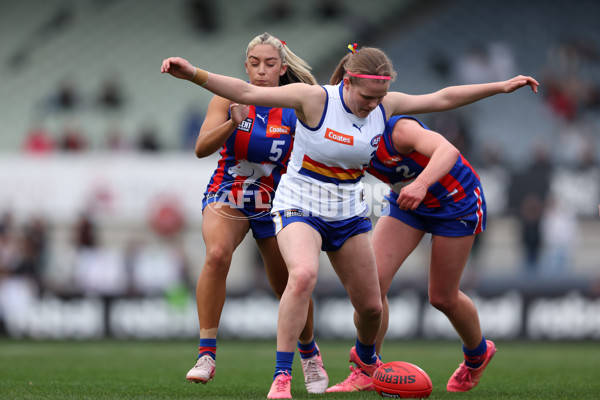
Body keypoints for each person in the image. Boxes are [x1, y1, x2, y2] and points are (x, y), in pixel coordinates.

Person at [161, 44, 538, 399]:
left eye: (380, 98)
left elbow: (442, 100)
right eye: (367, 97)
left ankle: (437, 356)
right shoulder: (316, 99)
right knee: (310, 277)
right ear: (349, 81)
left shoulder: (387, 112)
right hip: (312, 204)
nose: (373, 106)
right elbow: (247, 92)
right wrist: (192, 72)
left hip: (403, 206)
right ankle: (300, 373)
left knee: (406, 301)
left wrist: (501, 87)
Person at [177, 33, 329, 394]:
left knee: (288, 284)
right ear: (246, 66)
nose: (261, 71)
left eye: (270, 63)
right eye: (255, 63)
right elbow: (200, 149)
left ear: (283, 68)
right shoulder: (227, 96)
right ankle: (206, 354)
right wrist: (233, 122)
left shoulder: (297, 105)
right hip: (229, 190)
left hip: (278, 200)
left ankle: (309, 353)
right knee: (216, 254)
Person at [327, 114, 496, 393]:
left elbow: (448, 151)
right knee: (372, 286)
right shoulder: (338, 132)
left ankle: (477, 355)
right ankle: (366, 367)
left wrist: (421, 184)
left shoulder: (399, 129)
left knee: (442, 297)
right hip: (407, 202)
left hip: (456, 202)